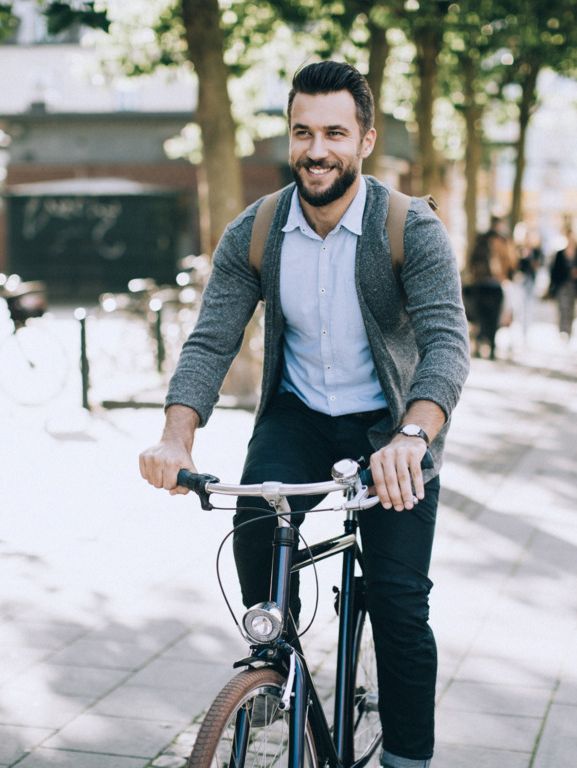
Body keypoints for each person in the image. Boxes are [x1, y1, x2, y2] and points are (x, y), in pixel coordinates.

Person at [139, 60, 471, 767]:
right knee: (254, 519)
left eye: (333, 133)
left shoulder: (410, 227)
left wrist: (414, 436)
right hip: (299, 415)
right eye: (302, 132)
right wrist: (176, 437)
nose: (316, 150)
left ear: (366, 139)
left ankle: (407, 759)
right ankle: (275, 670)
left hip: (390, 427)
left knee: (401, 609)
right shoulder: (256, 232)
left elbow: (446, 346)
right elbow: (211, 340)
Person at [464, 215, 516, 359]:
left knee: (481, 316)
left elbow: (471, 261)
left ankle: (481, 345)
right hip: (495, 284)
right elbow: (511, 263)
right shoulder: (503, 241)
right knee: (493, 317)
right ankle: (491, 347)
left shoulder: (480, 240)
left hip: (480, 283)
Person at [547, 227, 577, 339]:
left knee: (571, 309)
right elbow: (554, 271)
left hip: (574, 286)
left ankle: (569, 331)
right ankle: (562, 330)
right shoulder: (560, 254)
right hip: (562, 285)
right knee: (562, 308)